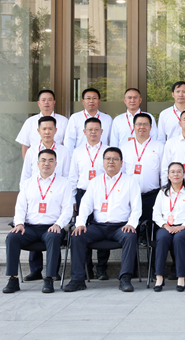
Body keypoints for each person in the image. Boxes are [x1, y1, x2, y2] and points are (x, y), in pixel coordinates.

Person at [64, 147, 142, 293]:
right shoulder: (95, 182)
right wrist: (80, 223)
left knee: (130, 236)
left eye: (115, 159)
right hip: (98, 227)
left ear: (121, 163)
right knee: (77, 236)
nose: (111, 162)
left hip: (120, 227)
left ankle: (125, 279)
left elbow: (136, 208)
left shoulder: (130, 182)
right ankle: (77, 280)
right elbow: (85, 205)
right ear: (103, 162)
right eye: (108, 159)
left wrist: (131, 224)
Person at [3, 149, 72, 294]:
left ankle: (49, 279)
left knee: (53, 237)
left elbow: (67, 209)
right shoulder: (28, 183)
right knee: (12, 237)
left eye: (50, 160)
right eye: (43, 160)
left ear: (56, 164)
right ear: (38, 163)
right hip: (30, 228)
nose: (46, 163)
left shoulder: (64, 183)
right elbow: (20, 207)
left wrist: (58, 224)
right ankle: (13, 279)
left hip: (51, 227)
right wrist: (19, 223)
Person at [68, 116, 109, 279]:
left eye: (96, 129)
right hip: (82, 193)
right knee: (82, 228)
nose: (93, 132)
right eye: (90, 130)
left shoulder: (108, 150)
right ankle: (86, 268)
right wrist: (73, 199)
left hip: (104, 194)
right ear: (84, 132)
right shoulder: (77, 152)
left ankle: (102, 268)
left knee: (104, 227)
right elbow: (73, 177)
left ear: (101, 131)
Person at [152, 162, 185, 292]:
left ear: (184, 175)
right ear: (168, 175)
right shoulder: (162, 193)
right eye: (172, 172)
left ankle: (181, 277)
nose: (176, 174)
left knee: (179, 239)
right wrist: (165, 226)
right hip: (166, 227)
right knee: (162, 238)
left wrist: (182, 226)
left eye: (179, 171)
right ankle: (159, 277)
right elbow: (156, 214)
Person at [120, 113, 164, 228]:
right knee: (132, 227)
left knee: (151, 227)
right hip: (130, 195)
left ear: (151, 127)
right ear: (134, 126)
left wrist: (164, 191)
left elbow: (163, 172)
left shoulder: (159, 147)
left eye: (145, 124)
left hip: (152, 194)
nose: (142, 127)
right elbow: (122, 173)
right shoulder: (125, 148)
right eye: (139, 124)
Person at [19, 116, 72, 190]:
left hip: (57, 191)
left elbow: (67, 176)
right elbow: (25, 177)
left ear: (55, 130)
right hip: (35, 191)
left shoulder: (64, 151)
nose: (47, 132)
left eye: (50, 129)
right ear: (38, 131)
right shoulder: (31, 152)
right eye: (44, 129)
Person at [16, 89, 69, 161]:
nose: (46, 102)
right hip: (35, 163)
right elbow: (25, 145)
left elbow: (68, 144)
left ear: (54, 102)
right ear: (38, 103)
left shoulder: (64, 121)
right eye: (43, 100)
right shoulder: (30, 122)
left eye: (49, 100)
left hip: (58, 162)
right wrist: (27, 164)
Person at [64, 88, 112, 152]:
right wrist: (71, 156)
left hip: (102, 155)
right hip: (81, 155)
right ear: (83, 101)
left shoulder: (107, 118)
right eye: (88, 98)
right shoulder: (75, 117)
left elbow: (111, 140)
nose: (91, 101)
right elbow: (69, 140)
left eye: (94, 98)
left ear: (99, 101)